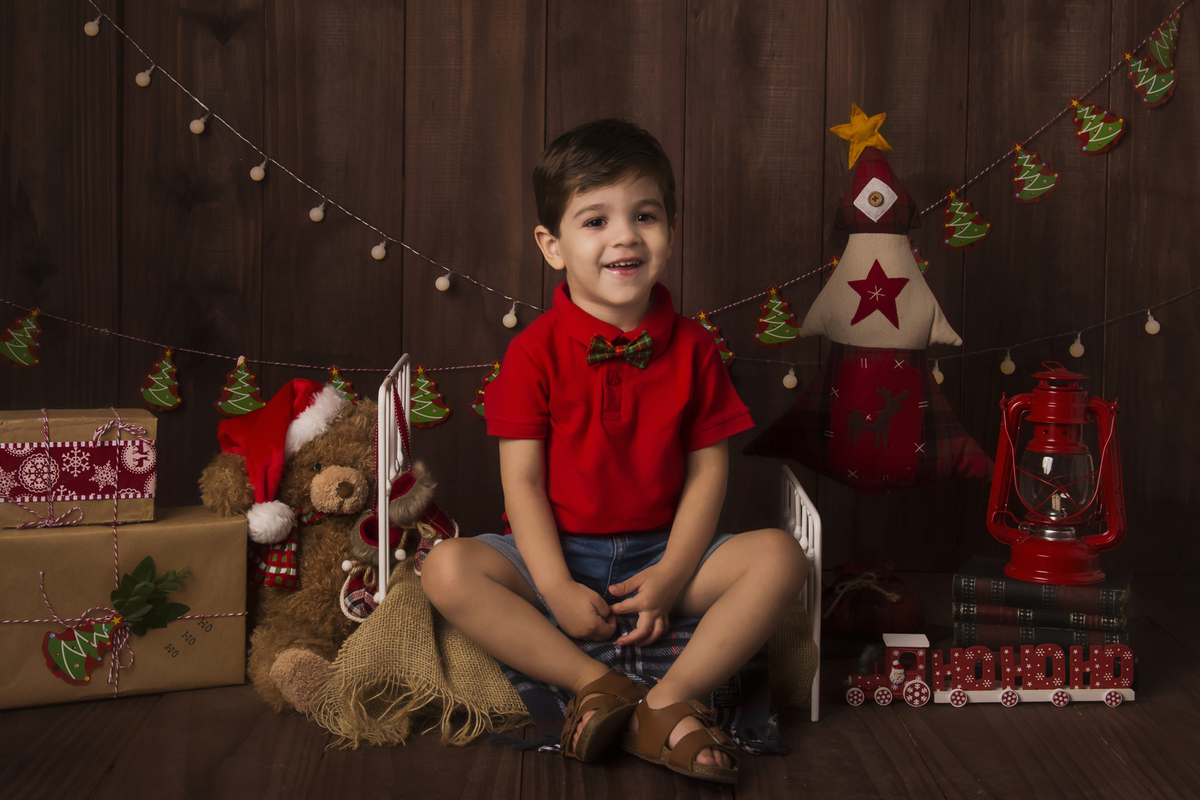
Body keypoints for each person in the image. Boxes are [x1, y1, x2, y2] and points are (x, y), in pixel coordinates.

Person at [420, 118, 806, 784]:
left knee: (778, 556)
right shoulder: (532, 351)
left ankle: (667, 700)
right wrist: (555, 586)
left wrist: (675, 573)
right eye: (595, 221)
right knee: (446, 569)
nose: (625, 236)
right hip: (558, 549)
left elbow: (708, 475)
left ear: (671, 229)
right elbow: (525, 484)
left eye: (645, 215)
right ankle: (596, 683)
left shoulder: (695, 349)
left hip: (661, 551)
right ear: (552, 245)